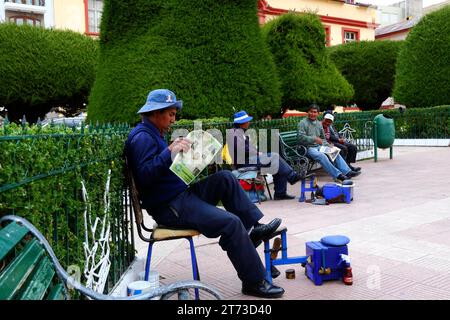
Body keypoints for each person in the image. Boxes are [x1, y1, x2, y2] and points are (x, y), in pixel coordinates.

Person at [125, 89, 285, 298]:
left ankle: (254, 230)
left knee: (225, 178)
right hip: (170, 207)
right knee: (231, 223)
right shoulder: (142, 138)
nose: (174, 119)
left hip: (180, 195)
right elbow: (145, 176)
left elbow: (162, 169)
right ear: (156, 113)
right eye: (171, 114)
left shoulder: (153, 133)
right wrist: (169, 152)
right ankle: (253, 282)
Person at [226, 110, 302, 200]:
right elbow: (242, 149)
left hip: (251, 159)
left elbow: (249, 148)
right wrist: (257, 153)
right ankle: (291, 176)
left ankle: (280, 193)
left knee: (277, 164)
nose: (249, 122)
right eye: (247, 121)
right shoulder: (233, 132)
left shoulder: (241, 132)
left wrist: (258, 153)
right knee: (274, 156)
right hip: (243, 162)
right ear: (242, 123)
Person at [297, 104, 361, 182]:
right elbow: (300, 138)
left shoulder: (318, 124)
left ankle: (347, 172)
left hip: (319, 147)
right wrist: (314, 139)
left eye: (315, 112)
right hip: (307, 148)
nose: (313, 114)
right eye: (311, 112)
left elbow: (323, 138)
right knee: (322, 156)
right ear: (308, 112)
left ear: (318, 113)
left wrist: (328, 145)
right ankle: (338, 175)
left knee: (334, 151)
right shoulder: (302, 123)